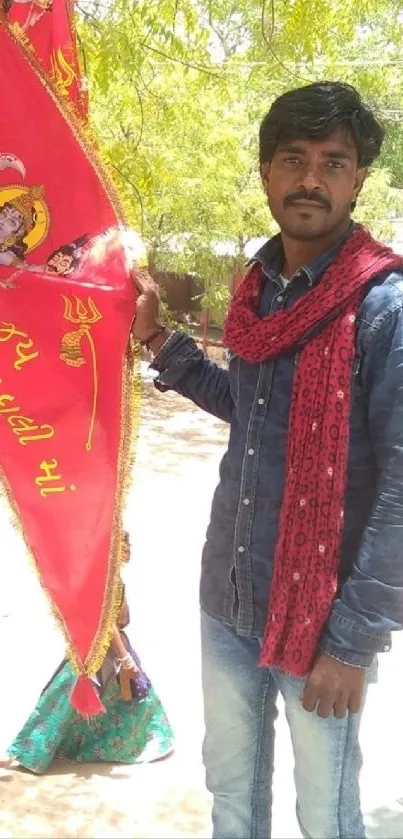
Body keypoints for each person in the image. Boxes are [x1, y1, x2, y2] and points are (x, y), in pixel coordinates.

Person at [131, 81, 403, 839]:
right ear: (265, 173)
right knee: (232, 795)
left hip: (321, 619)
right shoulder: (256, 291)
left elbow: (398, 491)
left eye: (332, 162)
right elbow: (247, 409)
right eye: (293, 159)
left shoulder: (383, 308)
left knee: (325, 814)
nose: (310, 179)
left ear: (356, 180)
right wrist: (159, 342)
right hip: (227, 594)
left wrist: (350, 644)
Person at [2, 570, 174, 773]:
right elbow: (107, 622)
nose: (128, 547)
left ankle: (35, 749)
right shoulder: (105, 576)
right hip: (97, 651)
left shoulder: (112, 574)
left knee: (68, 699)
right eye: (123, 541)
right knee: (61, 699)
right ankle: (25, 751)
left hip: (100, 648)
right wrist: (124, 657)